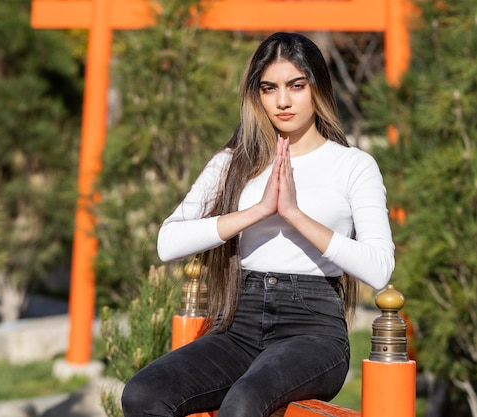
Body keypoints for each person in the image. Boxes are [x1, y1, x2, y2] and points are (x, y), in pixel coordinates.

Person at [121, 32, 395, 417]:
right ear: (257, 96)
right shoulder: (234, 161)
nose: (282, 101)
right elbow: (168, 242)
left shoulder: (353, 165)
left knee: (244, 402)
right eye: (270, 89)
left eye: (296, 86)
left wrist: (295, 215)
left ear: (317, 87)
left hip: (312, 330)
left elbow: (379, 268)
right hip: (239, 323)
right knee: (143, 394)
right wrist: (258, 211)